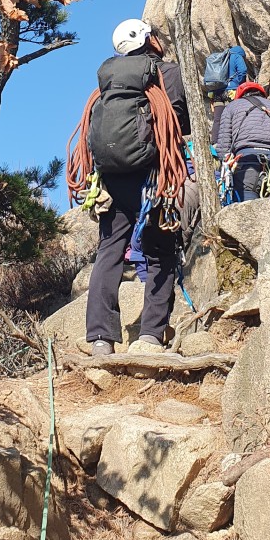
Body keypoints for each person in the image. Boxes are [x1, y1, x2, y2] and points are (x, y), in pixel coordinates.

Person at [85, 18, 189, 358]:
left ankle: (101, 337)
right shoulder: (167, 73)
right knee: (160, 251)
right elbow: (178, 121)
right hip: (153, 177)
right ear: (149, 40)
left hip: (113, 180)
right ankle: (150, 336)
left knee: (110, 251)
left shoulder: (107, 84)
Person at [217, 81, 270, 202]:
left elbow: (224, 146)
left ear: (240, 95)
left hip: (246, 162)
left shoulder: (232, 106)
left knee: (247, 210)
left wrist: (223, 167)